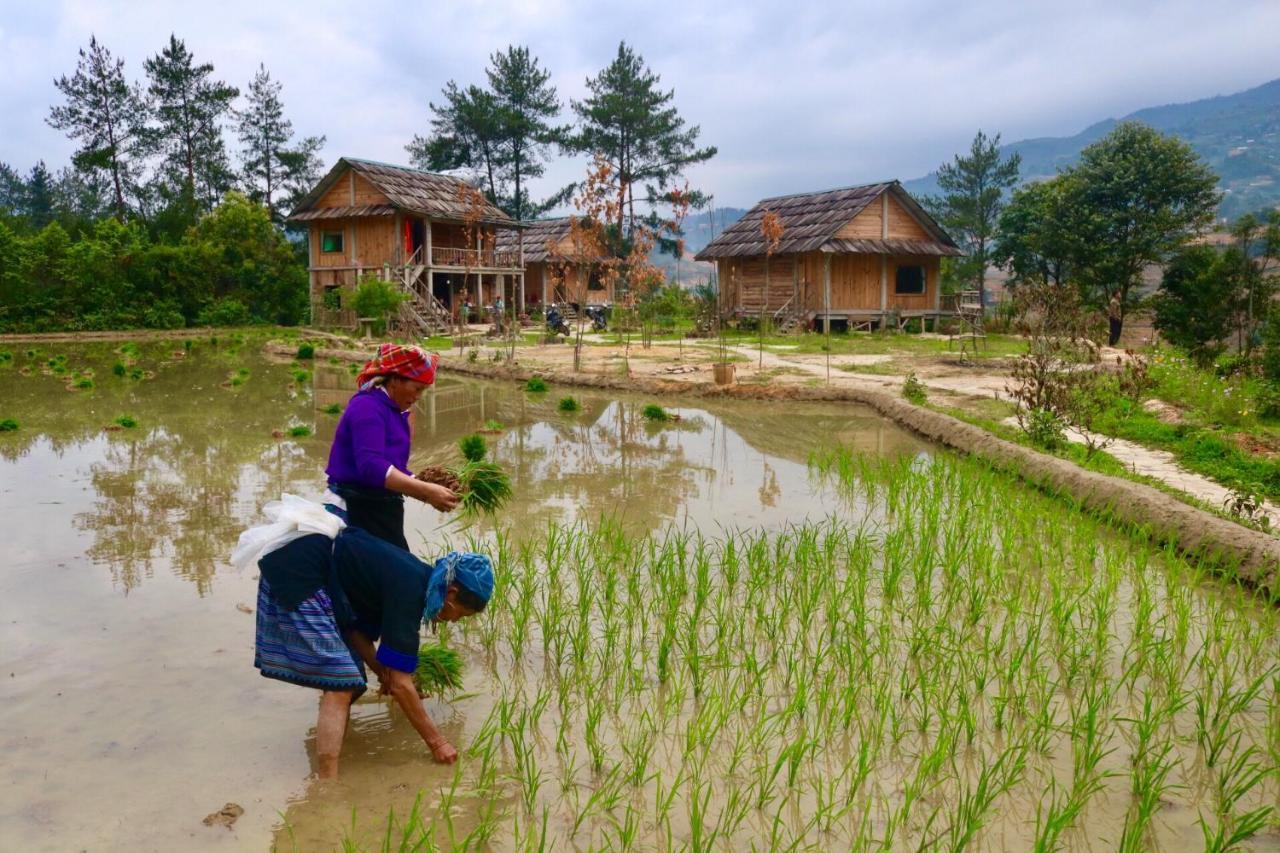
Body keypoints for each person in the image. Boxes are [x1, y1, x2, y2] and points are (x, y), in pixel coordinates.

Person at [248, 512, 494, 778]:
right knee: (341, 684)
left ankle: (331, 744)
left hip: (310, 566)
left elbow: (357, 632)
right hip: (300, 572)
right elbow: (401, 683)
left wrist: (382, 674)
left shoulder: (417, 577)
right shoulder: (411, 592)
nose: (454, 620)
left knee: (350, 681)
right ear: (452, 594)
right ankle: (327, 786)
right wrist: (438, 742)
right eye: (460, 613)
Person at [326, 344, 458, 549]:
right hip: (357, 508)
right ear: (396, 379)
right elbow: (371, 466)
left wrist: (428, 487)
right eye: (417, 388)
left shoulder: (394, 411)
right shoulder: (367, 406)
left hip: (380, 507)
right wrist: (425, 491)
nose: (418, 396)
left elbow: (391, 466)